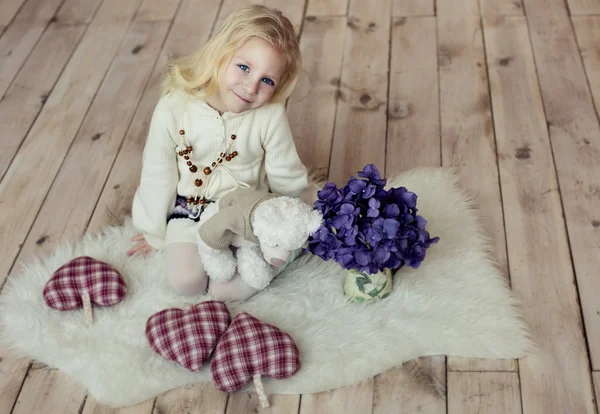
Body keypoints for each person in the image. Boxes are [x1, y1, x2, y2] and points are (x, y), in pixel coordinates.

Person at [127, 4, 310, 301]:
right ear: (221, 53)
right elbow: (158, 173)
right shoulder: (174, 107)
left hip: (246, 212)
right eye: (244, 67)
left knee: (226, 290)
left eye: (267, 81)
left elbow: (285, 173)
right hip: (191, 211)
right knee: (187, 283)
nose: (251, 87)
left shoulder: (270, 116)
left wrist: (293, 223)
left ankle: (286, 256)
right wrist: (153, 232)